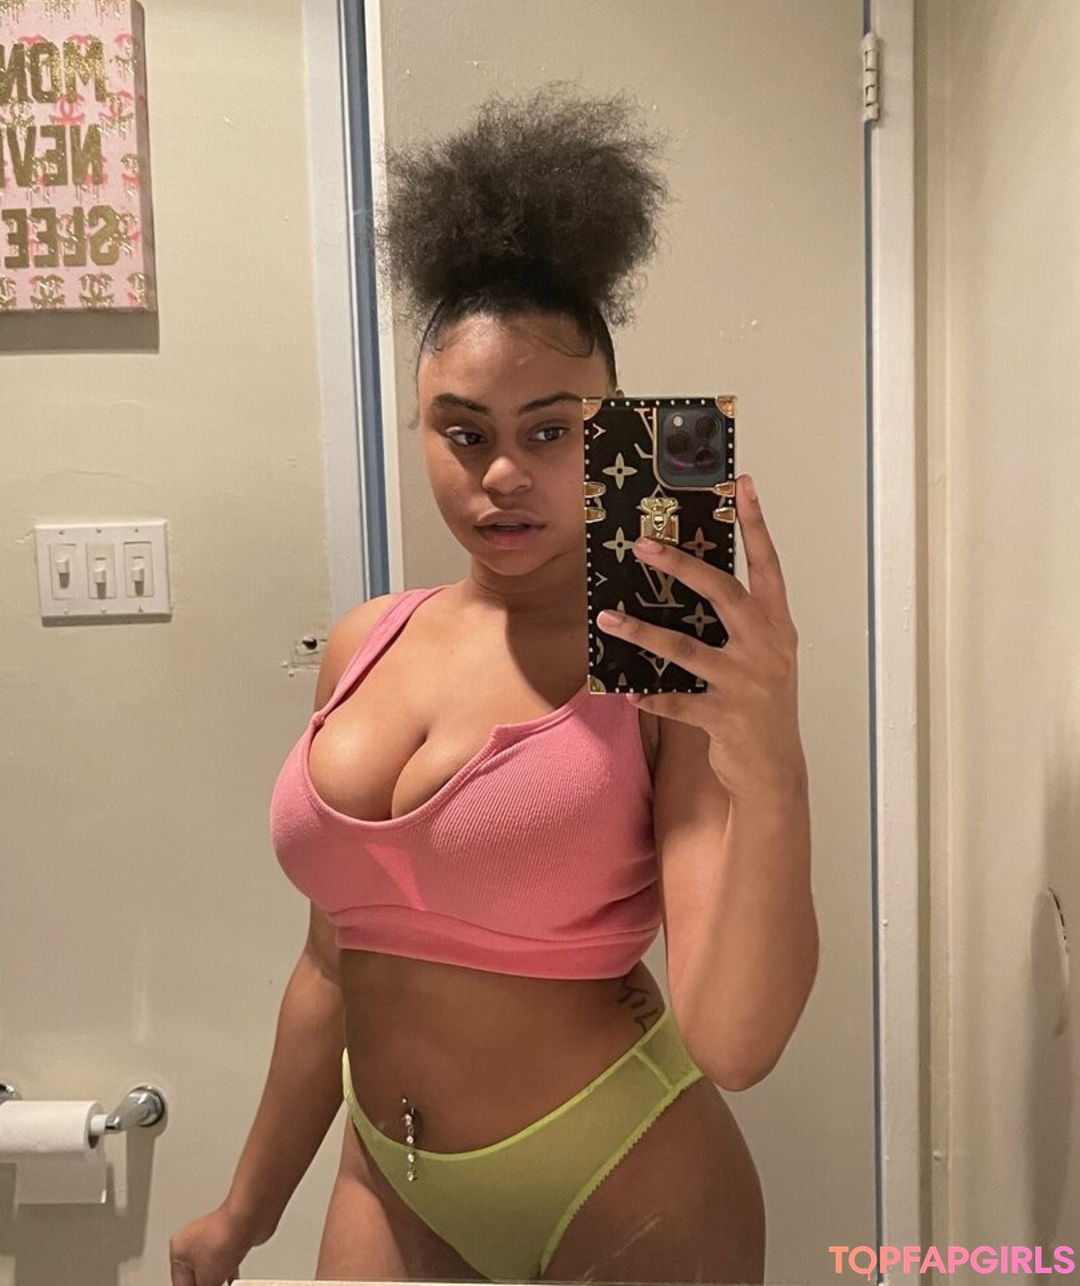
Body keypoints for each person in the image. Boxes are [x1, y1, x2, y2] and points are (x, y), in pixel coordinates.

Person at [169, 84, 818, 1286]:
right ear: (421, 426)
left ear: (612, 432)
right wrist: (244, 1210)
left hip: (622, 1190)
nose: (503, 473)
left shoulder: (660, 658)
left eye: (551, 430)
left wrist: (771, 760)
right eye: (464, 431)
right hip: (387, 1176)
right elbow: (329, 965)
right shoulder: (366, 640)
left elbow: (734, 1041)